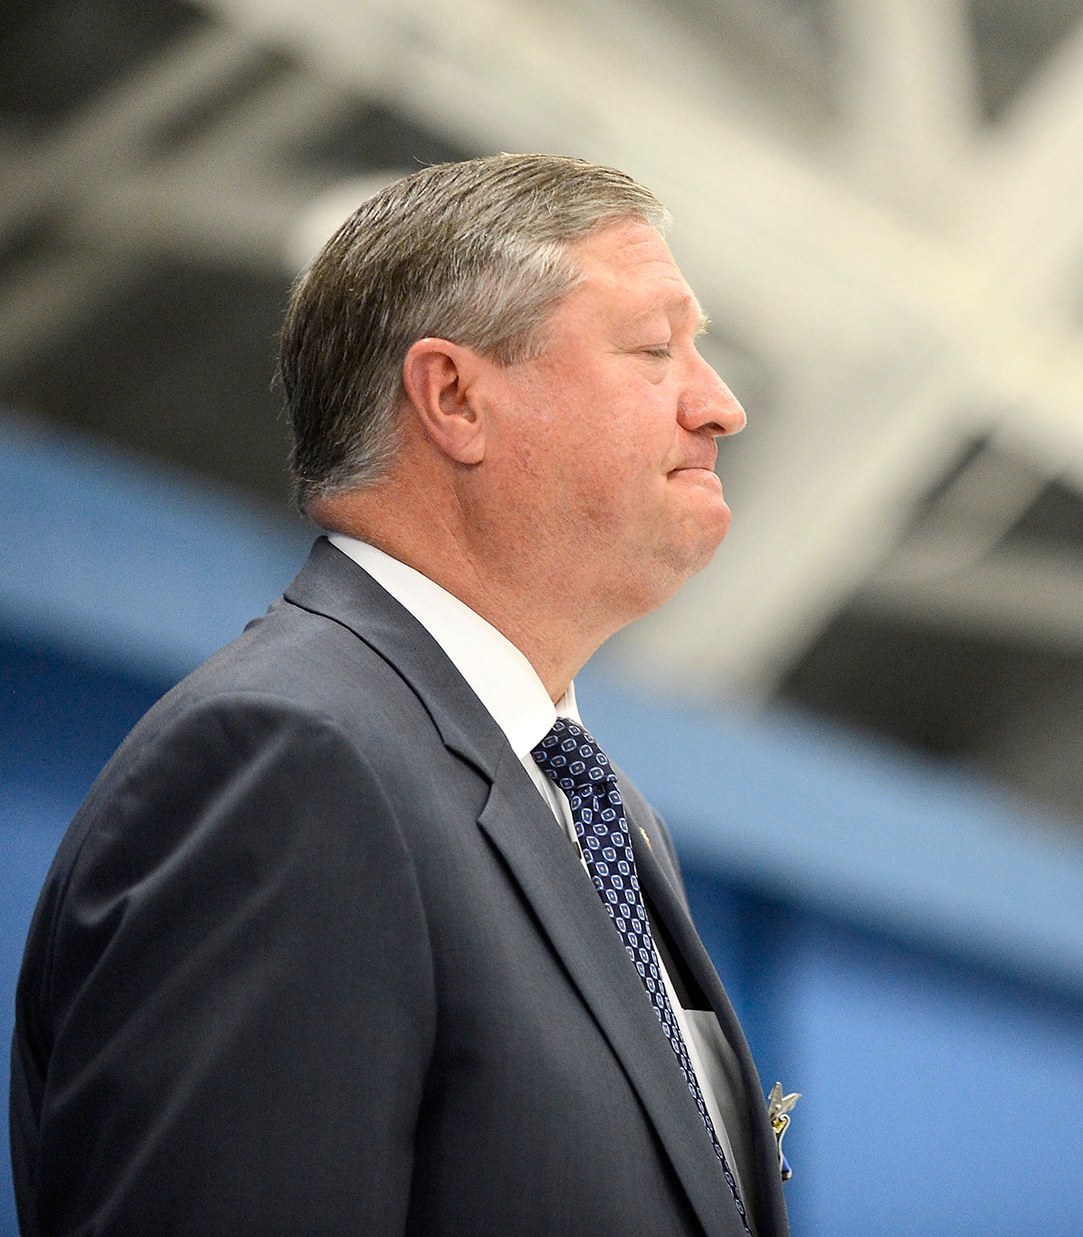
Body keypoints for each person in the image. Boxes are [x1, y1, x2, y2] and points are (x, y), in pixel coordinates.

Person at [10, 154, 785, 1237]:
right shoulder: (291, 764)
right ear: (455, 398)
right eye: (655, 349)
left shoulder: (598, 811)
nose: (722, 406)